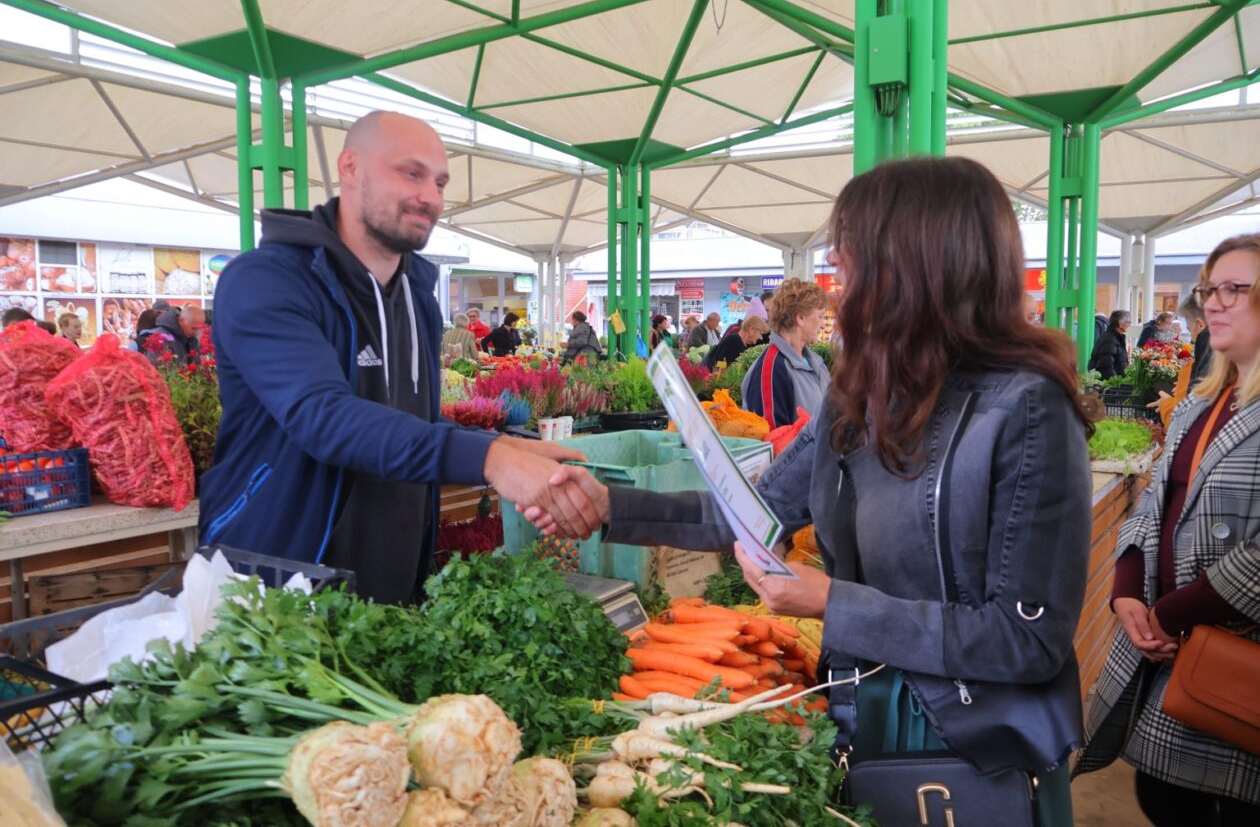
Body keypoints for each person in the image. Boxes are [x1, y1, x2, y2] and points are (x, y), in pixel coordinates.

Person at [530, 156, 1092, 826]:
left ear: (915, 264)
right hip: (862, 714)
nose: (835, 275)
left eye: (849, 259)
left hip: (971, 747)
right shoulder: (860, 394)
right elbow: (748, 513)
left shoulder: (1027, 410)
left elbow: (1027, 640)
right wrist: (608, 507)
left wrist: (832, 601)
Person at [200, 111, 600, 604]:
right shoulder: (267, 280)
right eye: (411, 173)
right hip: (274, 589)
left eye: (439, 182)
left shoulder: (417, 297)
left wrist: (507, 447)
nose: (430, 196)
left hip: (391, 592)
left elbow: (413, 423)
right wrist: (492, 460)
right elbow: (322, 417)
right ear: (350, 167)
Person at [1076, 233, 1260, 824]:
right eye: (1210, 289)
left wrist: (1171, 613)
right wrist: (1127, 589)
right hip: (1172, 653)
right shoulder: (1203, 404)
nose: (1214, 303)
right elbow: (1156, 502)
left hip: (1231, 657)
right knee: (1164, 795)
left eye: (1236, 289)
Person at [741, 278, 829, 429]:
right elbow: (773, 438)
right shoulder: (772, 370)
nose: (823, 325)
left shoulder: (815, 362)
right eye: (820, 316)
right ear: (800, 318)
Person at [1148, 293, 1211, 426]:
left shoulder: (1197, 366)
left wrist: (1166, 403)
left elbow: (1180, 423)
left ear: (1200, 325)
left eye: (1189, 329)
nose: (1192, 338)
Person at [703, 315, 768, 371]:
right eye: (760, 333)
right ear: (751, 330)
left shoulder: (740, 343)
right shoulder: (733, 341)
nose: (761, 338)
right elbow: (720, 364)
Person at [1089, 309, 1131, 379]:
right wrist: (1115, 382)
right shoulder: (1110, 339)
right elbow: (1106, 365)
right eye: (1128, 322)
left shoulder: (1115, 337)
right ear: (1120, 324)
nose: (1129, 325)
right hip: (1110, 382)